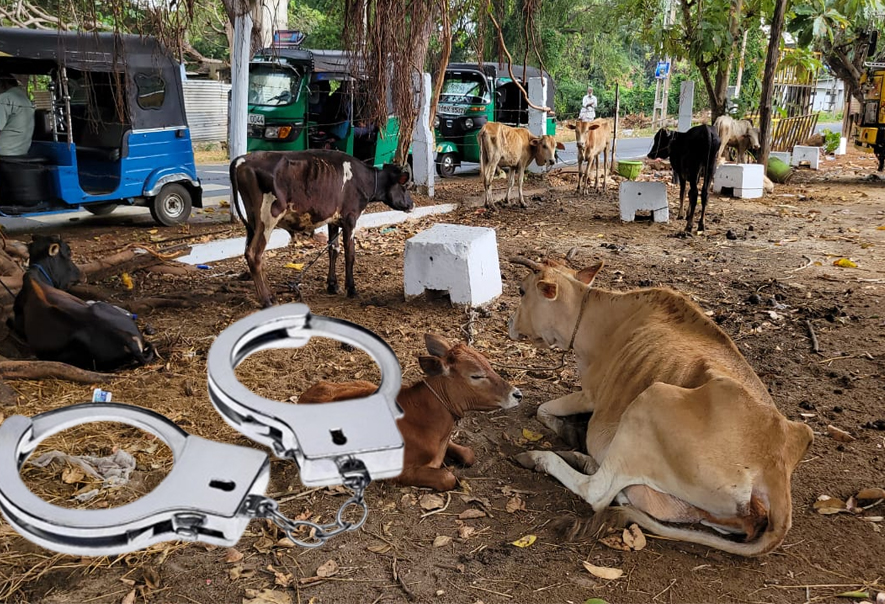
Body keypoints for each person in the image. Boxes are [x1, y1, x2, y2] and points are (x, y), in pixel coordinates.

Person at [0, 73, 35, 156]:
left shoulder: (5, 98)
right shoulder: (25, 98)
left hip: (4, 153)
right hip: (22, 152)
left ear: (2, 84)